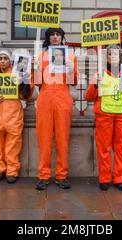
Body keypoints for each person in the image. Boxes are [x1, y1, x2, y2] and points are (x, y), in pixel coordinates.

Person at [86, 45, 122, 191]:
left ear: (121, 57)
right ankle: (104, 178)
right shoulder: (100, 73)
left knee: (121, 148)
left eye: (116, 54)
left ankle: (119, 178)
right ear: (107, 57)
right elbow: (88, 97)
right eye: (110, 55)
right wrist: (95, 85)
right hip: (104, 115)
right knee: (103, 148)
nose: (113, 57)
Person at [34, 27, 78, 190]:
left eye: (58, 34)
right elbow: (38, 83)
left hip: (63, 96)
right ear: (48, 38)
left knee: (62, 137)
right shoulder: (41, 55)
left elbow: (73, 81)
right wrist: (37, 69)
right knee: (43, 138)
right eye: (52, 35)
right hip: (45, 96)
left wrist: (71, 69)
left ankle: (61, 175)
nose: (55, 37)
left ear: (61, 37)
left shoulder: (70, 56)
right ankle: (43, 175)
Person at [0, 50, 32, 184]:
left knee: (13, 145)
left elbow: (26, 95)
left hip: (13, 115)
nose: (3, 60)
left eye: (5, 58)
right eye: (0, 58)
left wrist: (25, 80)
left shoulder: (17, 76)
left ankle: (12, 171)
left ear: (10, 61)